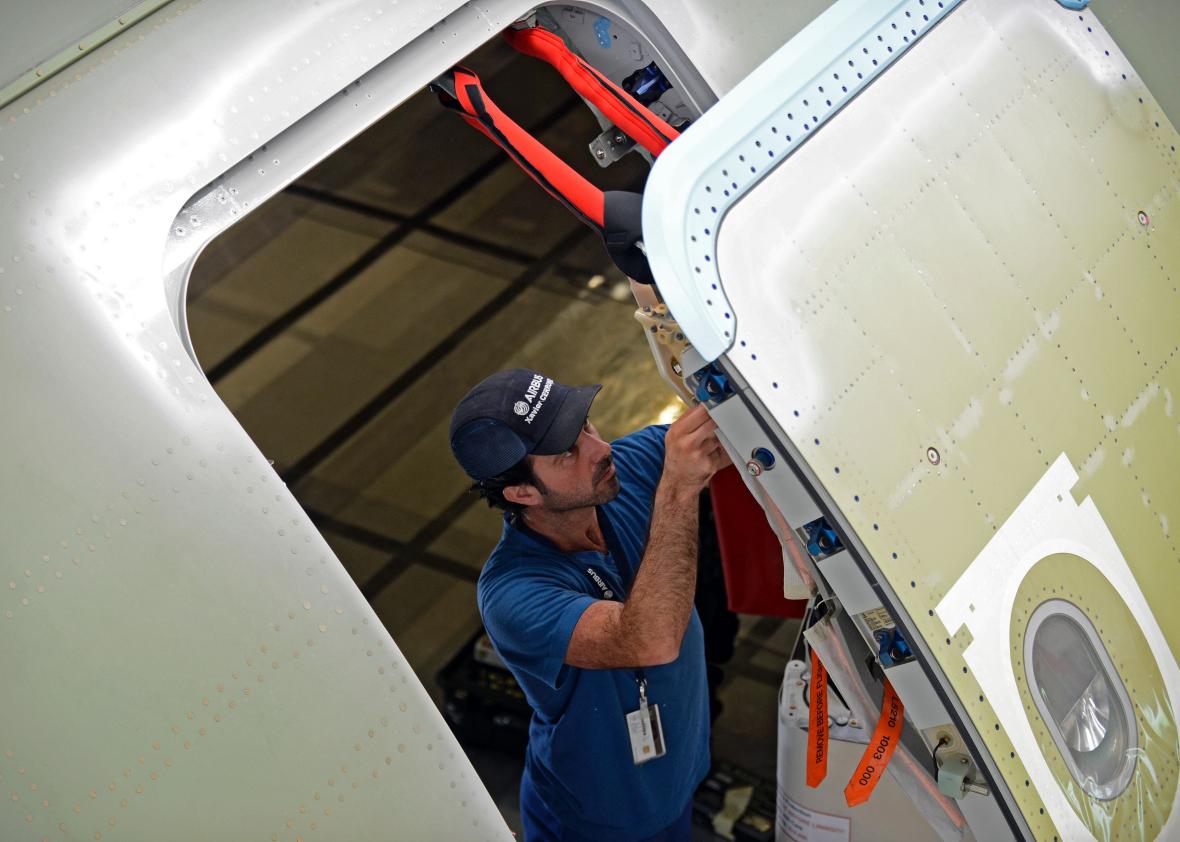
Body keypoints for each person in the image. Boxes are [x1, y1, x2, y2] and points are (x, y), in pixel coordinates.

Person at [448, 368, 728, 842]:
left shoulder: (626, 468)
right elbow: (651, 641)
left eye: (586, 427)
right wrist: (680, 489)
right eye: (567, 453)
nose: (600, 449)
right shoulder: (513, 593)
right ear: (522, 493)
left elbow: (737, 429)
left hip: (675, 782)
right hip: (597, 816)